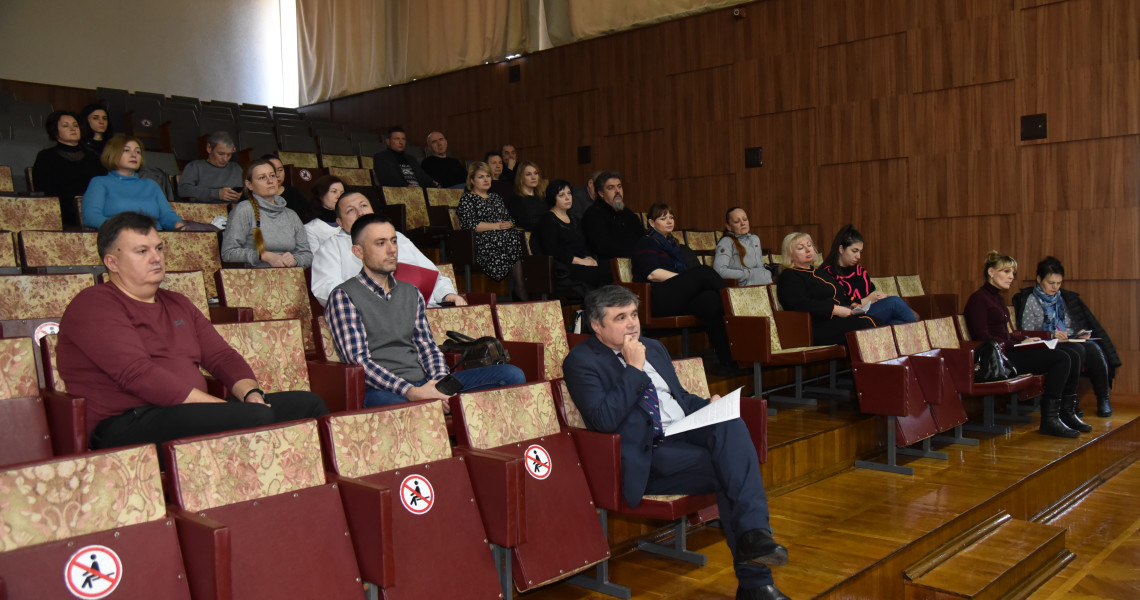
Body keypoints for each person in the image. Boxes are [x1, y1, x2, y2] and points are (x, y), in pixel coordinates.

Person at [562, 286, 790, 600]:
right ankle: (756, 574)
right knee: (732, 469)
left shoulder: (653, 347)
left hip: (682, 435)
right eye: (620, 318)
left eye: (633, 315)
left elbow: (679, 399)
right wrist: (633, 368)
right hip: (647, 455)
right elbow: (603, 419)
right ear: (597, 326)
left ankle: (755, 546)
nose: (632, 324)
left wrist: (708, 406)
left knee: (729, 422)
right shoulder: (581, 361)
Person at [55, 212, 328, 450]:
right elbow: (137, 374)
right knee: (252, 418)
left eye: (159, 248)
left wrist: (251, 395)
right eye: (142, 251)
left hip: (186, 413)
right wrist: (227, 409)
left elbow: (221, 356)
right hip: (126, 421)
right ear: (112, 263)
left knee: (308, 405)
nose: (156, 258)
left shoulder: (177, 302)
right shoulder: (94, 304)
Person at [325, 212, 525, 409]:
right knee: (413, 409)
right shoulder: (344, 296)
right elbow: (360, 363)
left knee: (511, 375)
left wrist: (441, 387)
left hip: (425, 382)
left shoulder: (410, 292)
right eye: (380, 243)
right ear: (358, 252)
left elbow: (427, 347)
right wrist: (411, 391)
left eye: (393, 241)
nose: (391, 250)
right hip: (383, 390)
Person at [965, 251, 1089, 438]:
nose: (1011, 277)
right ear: (991, 272)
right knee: (1061, 358)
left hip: (1010, 350)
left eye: (1012, 273)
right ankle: (1050, 419)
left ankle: (1067, 411)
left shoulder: (997, 298)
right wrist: (1016, 345)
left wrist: (1023, 341)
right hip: (1002, 358)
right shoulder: (977, 299)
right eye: (1006, 271)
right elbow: (983, 337)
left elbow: (1004, 334)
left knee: (1074, 352)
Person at [632, 203, 738, 374]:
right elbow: (652, 273)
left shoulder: (677, 246)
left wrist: (689, 281)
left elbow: (689, 275)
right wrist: (687, 279)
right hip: (656, 298)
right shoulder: (646, 243)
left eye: (671, 217)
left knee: (711, 300)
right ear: (651, 223)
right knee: (703, 272)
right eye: (663, 218)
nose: (669, 221)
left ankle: (729, 360)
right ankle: (737, 308)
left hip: (678, 297)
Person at [311, 191, 464, 308]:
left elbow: (432, 277)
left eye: (364, 206)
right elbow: (327, 289)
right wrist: (369, 301)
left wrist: (447, 295)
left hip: (415, 311)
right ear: (340, 222)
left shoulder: (397, 237)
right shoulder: (330, 247)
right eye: (350, 210)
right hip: (368, 316)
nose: (360, 213)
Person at [1013, 256, 1118, 418]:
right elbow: (1028, 331)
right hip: (1045, 343)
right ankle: (1069, 403)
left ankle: (1103, 398)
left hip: (1065, 339)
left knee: (1093, 348)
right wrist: (1051, 335)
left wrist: (1079, 332)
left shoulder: (1063, 299)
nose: (1055, 287)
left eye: (1058, 283)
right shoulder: (1031, 300)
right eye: (1051, 283)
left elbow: (1070, 325)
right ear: (1039, 279)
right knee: (1076, 351)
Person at [776, 232, 878, 346]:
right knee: (866, 323)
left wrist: (852, 304)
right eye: (801, 248)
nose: (808, 250)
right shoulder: (789, 275)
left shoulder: (819, 272)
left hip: (834, 321)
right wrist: (834, 309)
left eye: (809, 245)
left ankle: (881, 363)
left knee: (876, 321)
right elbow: (800, 304)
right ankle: (870, 364)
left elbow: (839, 294)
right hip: (813, 327)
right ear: (789, 255)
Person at [220, 159, 312, 268]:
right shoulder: (243, 210)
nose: (270, 181)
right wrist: (263, 256)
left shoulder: (291, 214)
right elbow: (228, 253)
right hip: (256, 279)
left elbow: (307, 255)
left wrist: (295, 260)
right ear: (249, 184)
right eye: (262, 177)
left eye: (272, 176)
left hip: (289, 278)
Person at [81, 136, 185, 231]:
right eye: (126, 150)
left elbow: (166, 215)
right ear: (112, 154)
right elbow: (91, 216)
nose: (134, 155)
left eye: (138, 152)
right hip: (118, 238)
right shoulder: (99, 182)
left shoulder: (151, 185)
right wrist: (121, 230)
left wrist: (178, 224)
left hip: (154, 238)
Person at [820, 225, 917, 325]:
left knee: (897, 322)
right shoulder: (827, 273)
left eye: (860, 252)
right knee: (895, 303)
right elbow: (836, 304)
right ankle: (921, 335)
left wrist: (881, 296)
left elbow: (872, 292)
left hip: (869, 312)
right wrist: (865, 300)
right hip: (848, 318)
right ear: (841, 249)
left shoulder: (860, 272)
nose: (858, 256)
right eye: (854, 251)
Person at [457, 161, 526, 298]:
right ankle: (520, 290)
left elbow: (509, 218)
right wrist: (496, 226)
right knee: (509, 239)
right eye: (481, 177)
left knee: (515, 235)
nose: (486, 180)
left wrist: (509, 225)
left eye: (488, 176)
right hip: (480, 242)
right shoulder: (467, 198)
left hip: (502, 239)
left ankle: (520, 288)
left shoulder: (496, 197)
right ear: (472, 180)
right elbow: (470, 225)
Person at [534, 179, 612, 294]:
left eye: (569, 193)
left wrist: (589, 258)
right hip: (563, 267)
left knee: (608, 268)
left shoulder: (574, 219)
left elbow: (584, 243)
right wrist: (579, 261)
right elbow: (551, 249)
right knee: (598, 274)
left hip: (580, 262)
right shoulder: (548, 219)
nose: (567, 198)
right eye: (562, 195)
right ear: (553, 198)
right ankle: (594, 309)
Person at [32, 110, 106, 226]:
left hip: (91, 210)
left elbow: (102, 186)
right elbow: (43, 189)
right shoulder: (46, 157)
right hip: (60, 213)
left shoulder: (94, 157)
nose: (73, 129)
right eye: (65, 126)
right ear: (55, 132)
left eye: (75, 125)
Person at [582, 171, 646, 261]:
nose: (617, 191)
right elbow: (603, 247)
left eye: (619, 186)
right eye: (611, 188)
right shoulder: (593, 214)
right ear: (601, 193)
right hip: (608, 266)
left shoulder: (629, 214)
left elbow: (643, 239)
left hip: (636, 262)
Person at [177, 131, 243, 203]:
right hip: (205, 210)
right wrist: (216, 194)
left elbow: (249, 191)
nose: (225, 159)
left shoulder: (236, 168)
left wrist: (241, 196)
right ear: (209, 148)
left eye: (229, 155)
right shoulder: (195, 167)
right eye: (221, 154)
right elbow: (183, 190)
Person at [714, 207, 772, 286]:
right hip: (742, 286)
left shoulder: (755, 239)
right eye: (737, 221)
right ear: (728, 226)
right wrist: (747, 274)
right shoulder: (726, 242)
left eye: (745, 219)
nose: (743, 223)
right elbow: (719, 271)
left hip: (762, 283)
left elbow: (760, 266)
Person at [302, 174, 345, 252]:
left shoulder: (349, 222)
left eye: (342, 193)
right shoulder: (310, 228)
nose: (339, 196)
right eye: (334, 191)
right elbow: (317, 259)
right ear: (321, 195)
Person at [506, 161, 547, 232]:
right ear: (521, 177)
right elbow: (524, 223)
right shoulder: (515, 199)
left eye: (536, 173)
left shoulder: (541, 196)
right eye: (528, 174)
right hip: (528, 237)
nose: (533, 177)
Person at [263, 153, 308, 218]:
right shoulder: (257, 197)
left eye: (280, 170)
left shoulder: (293, 192)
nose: (278, 175)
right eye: (273, 170)